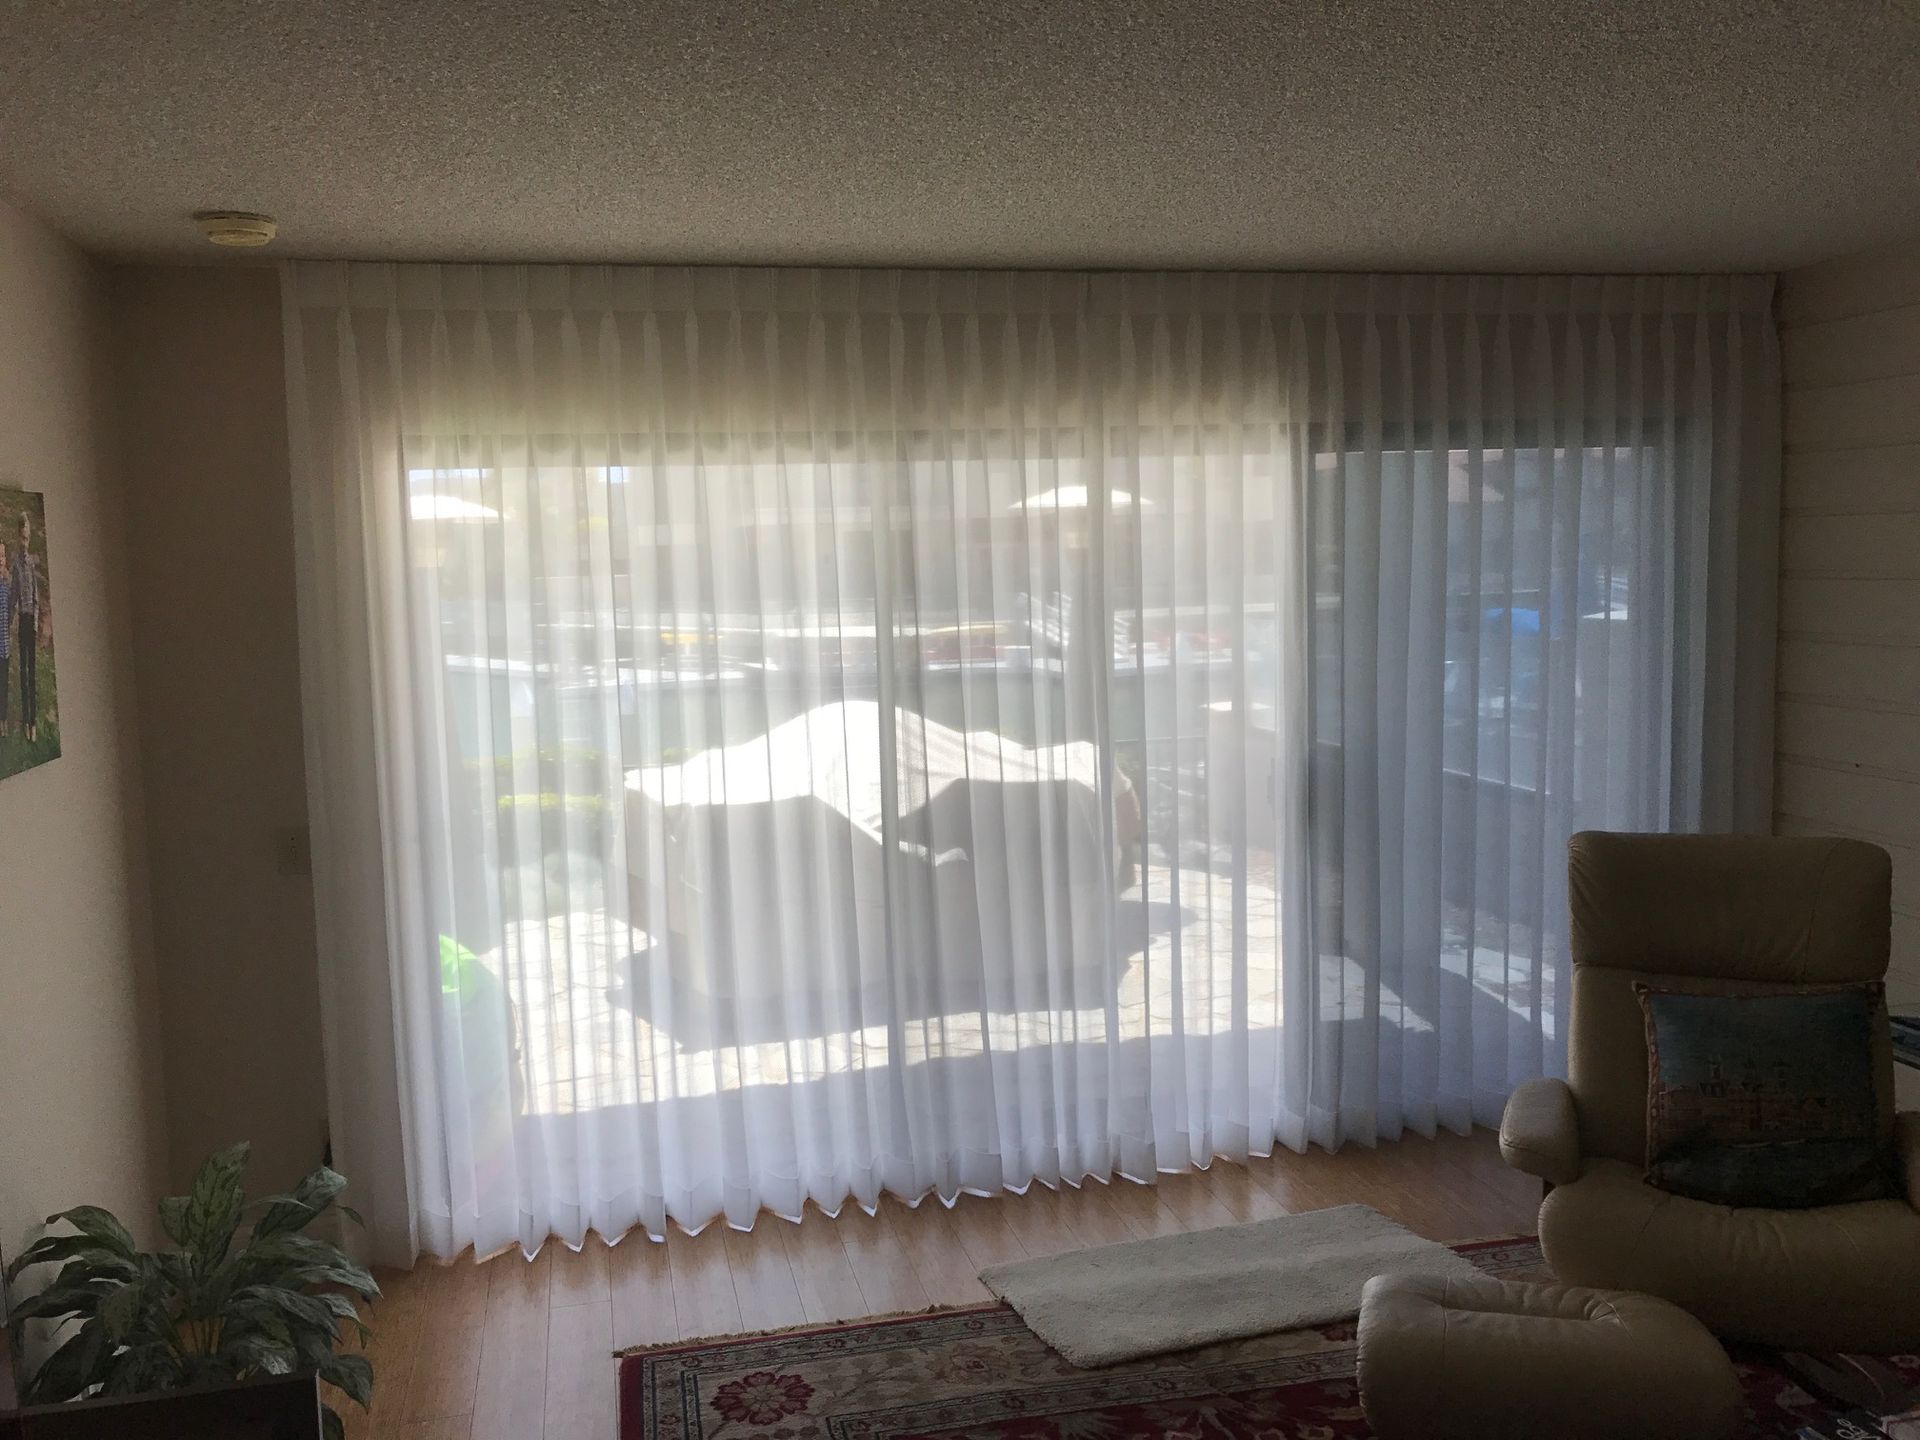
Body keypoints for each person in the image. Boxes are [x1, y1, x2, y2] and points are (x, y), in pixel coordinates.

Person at [11, 513, 38, 744]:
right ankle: (25, 718)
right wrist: (10, 619)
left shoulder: (31, 563)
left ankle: (33, 721)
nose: (24, 542)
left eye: (27, 538)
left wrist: (37, 621)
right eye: (22, 537)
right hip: (22, 619)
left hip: (32, 621)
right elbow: (13, 596)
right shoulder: (16, 566)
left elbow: (36, 596)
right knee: (24, 671)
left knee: (32, 671)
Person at [0, 538, 10, 739]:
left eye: (3, 556)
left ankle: (4, 720)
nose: (1, 559)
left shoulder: (7, 581)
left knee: (4, 682)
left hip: (5, 645)